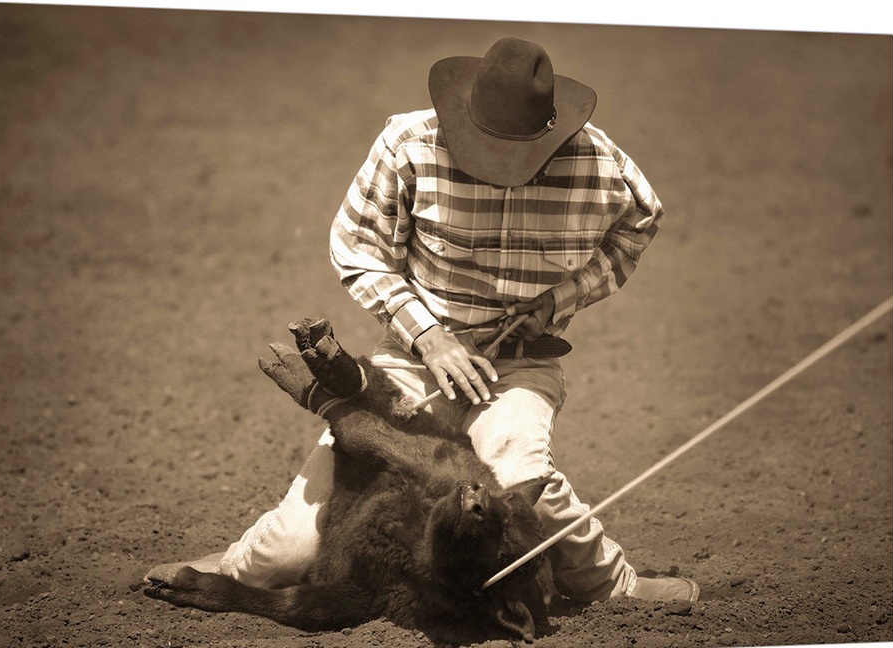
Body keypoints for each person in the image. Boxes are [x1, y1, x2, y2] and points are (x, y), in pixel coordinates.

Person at [148, 37, 699, 604]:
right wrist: (428, 335)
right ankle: (241, 567)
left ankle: (614, 586)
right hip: (411, 362)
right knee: (289, 552)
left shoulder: (602, 166)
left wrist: (562, 300)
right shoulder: (409, 144)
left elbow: (640, 224)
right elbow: (357, 245)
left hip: (519, 369)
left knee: (512, 479)